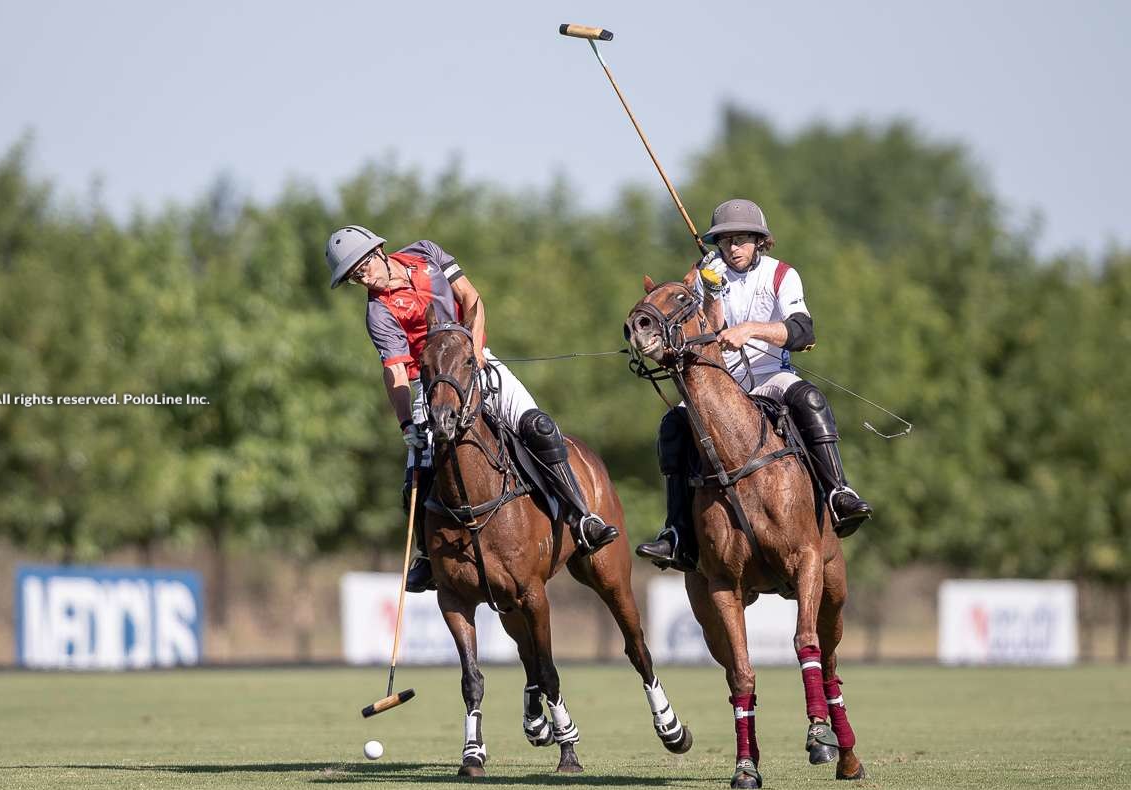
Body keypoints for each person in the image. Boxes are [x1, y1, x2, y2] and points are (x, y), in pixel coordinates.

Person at [326, 225, 619, 591]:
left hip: (473, 360)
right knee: (417, 472)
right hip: (429, 382)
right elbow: (396, 372)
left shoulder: (426, 253)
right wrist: (407, 425)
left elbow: (470, 297)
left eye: (361, 267)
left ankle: (581, 517)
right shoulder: (378, 313)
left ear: (377, 253)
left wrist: (476, 353)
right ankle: (428, 558)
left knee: (539, 426)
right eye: (354, 277)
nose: (362, 278)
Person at [635, 200, 872, 572]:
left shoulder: (782, 275)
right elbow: (700, 327)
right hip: (720, 383)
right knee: (672, 426)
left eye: (742, 239)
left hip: (769, 375)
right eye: (725, 240)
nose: (732, 248)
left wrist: (750, 331)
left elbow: (802, 331)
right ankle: (677, 532)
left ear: (760, 241)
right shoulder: (705, 272)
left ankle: (839, 492)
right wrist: (711, 296)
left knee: (810, 399)